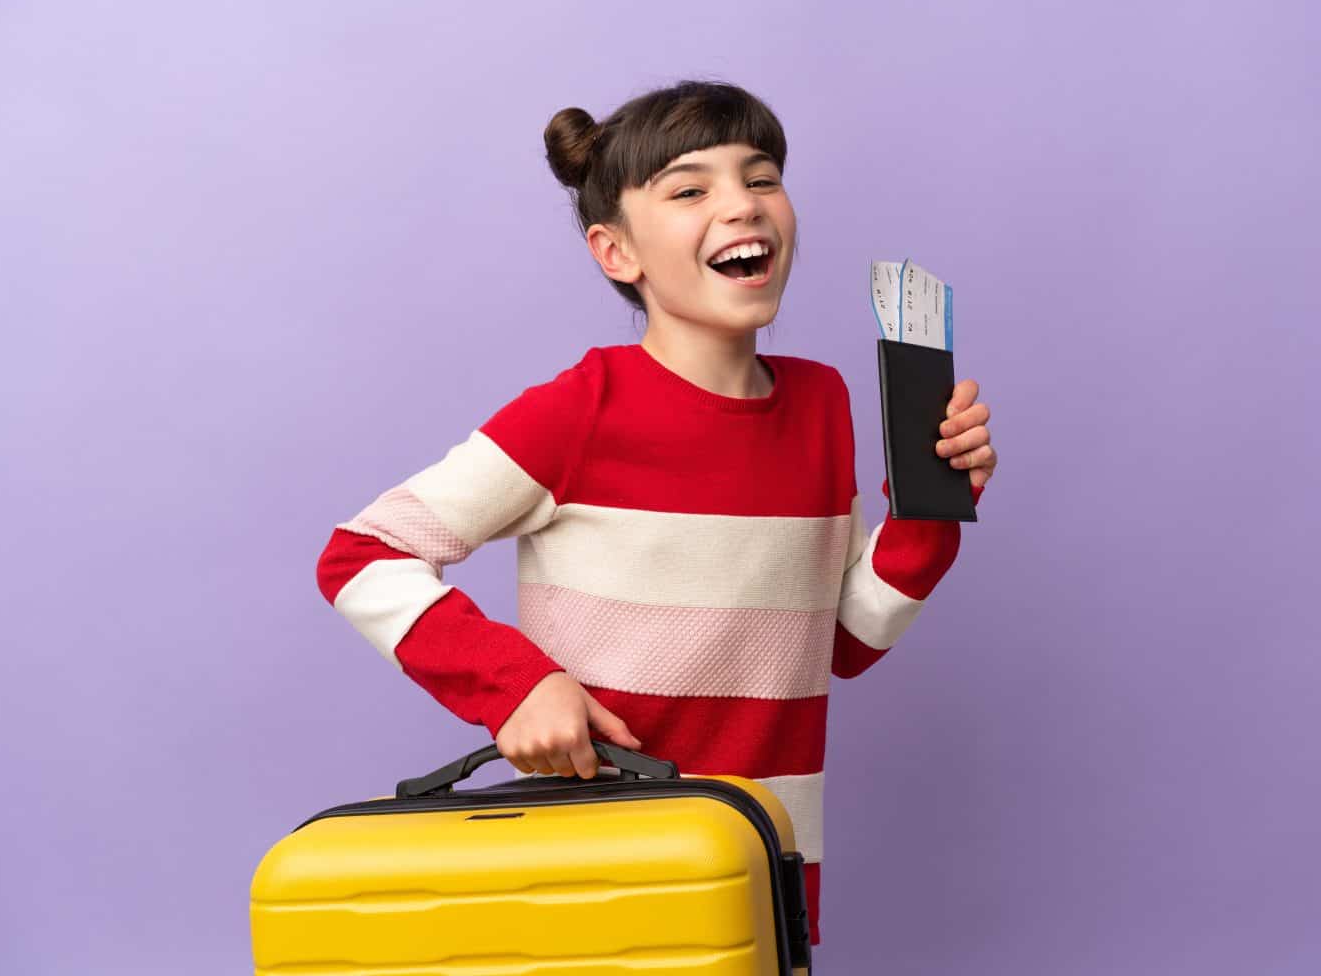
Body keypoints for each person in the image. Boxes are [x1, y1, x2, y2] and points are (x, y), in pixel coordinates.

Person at [315, 79, 997, 964]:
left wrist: (931, 515)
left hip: (764, 865)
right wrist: (513, 685)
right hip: (598, 869)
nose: (741, 205)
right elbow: (363, 555)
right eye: (689, 190)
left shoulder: (824, 404)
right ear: (615, 251)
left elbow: (843, 642)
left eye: (762, 177)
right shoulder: (581, 410)